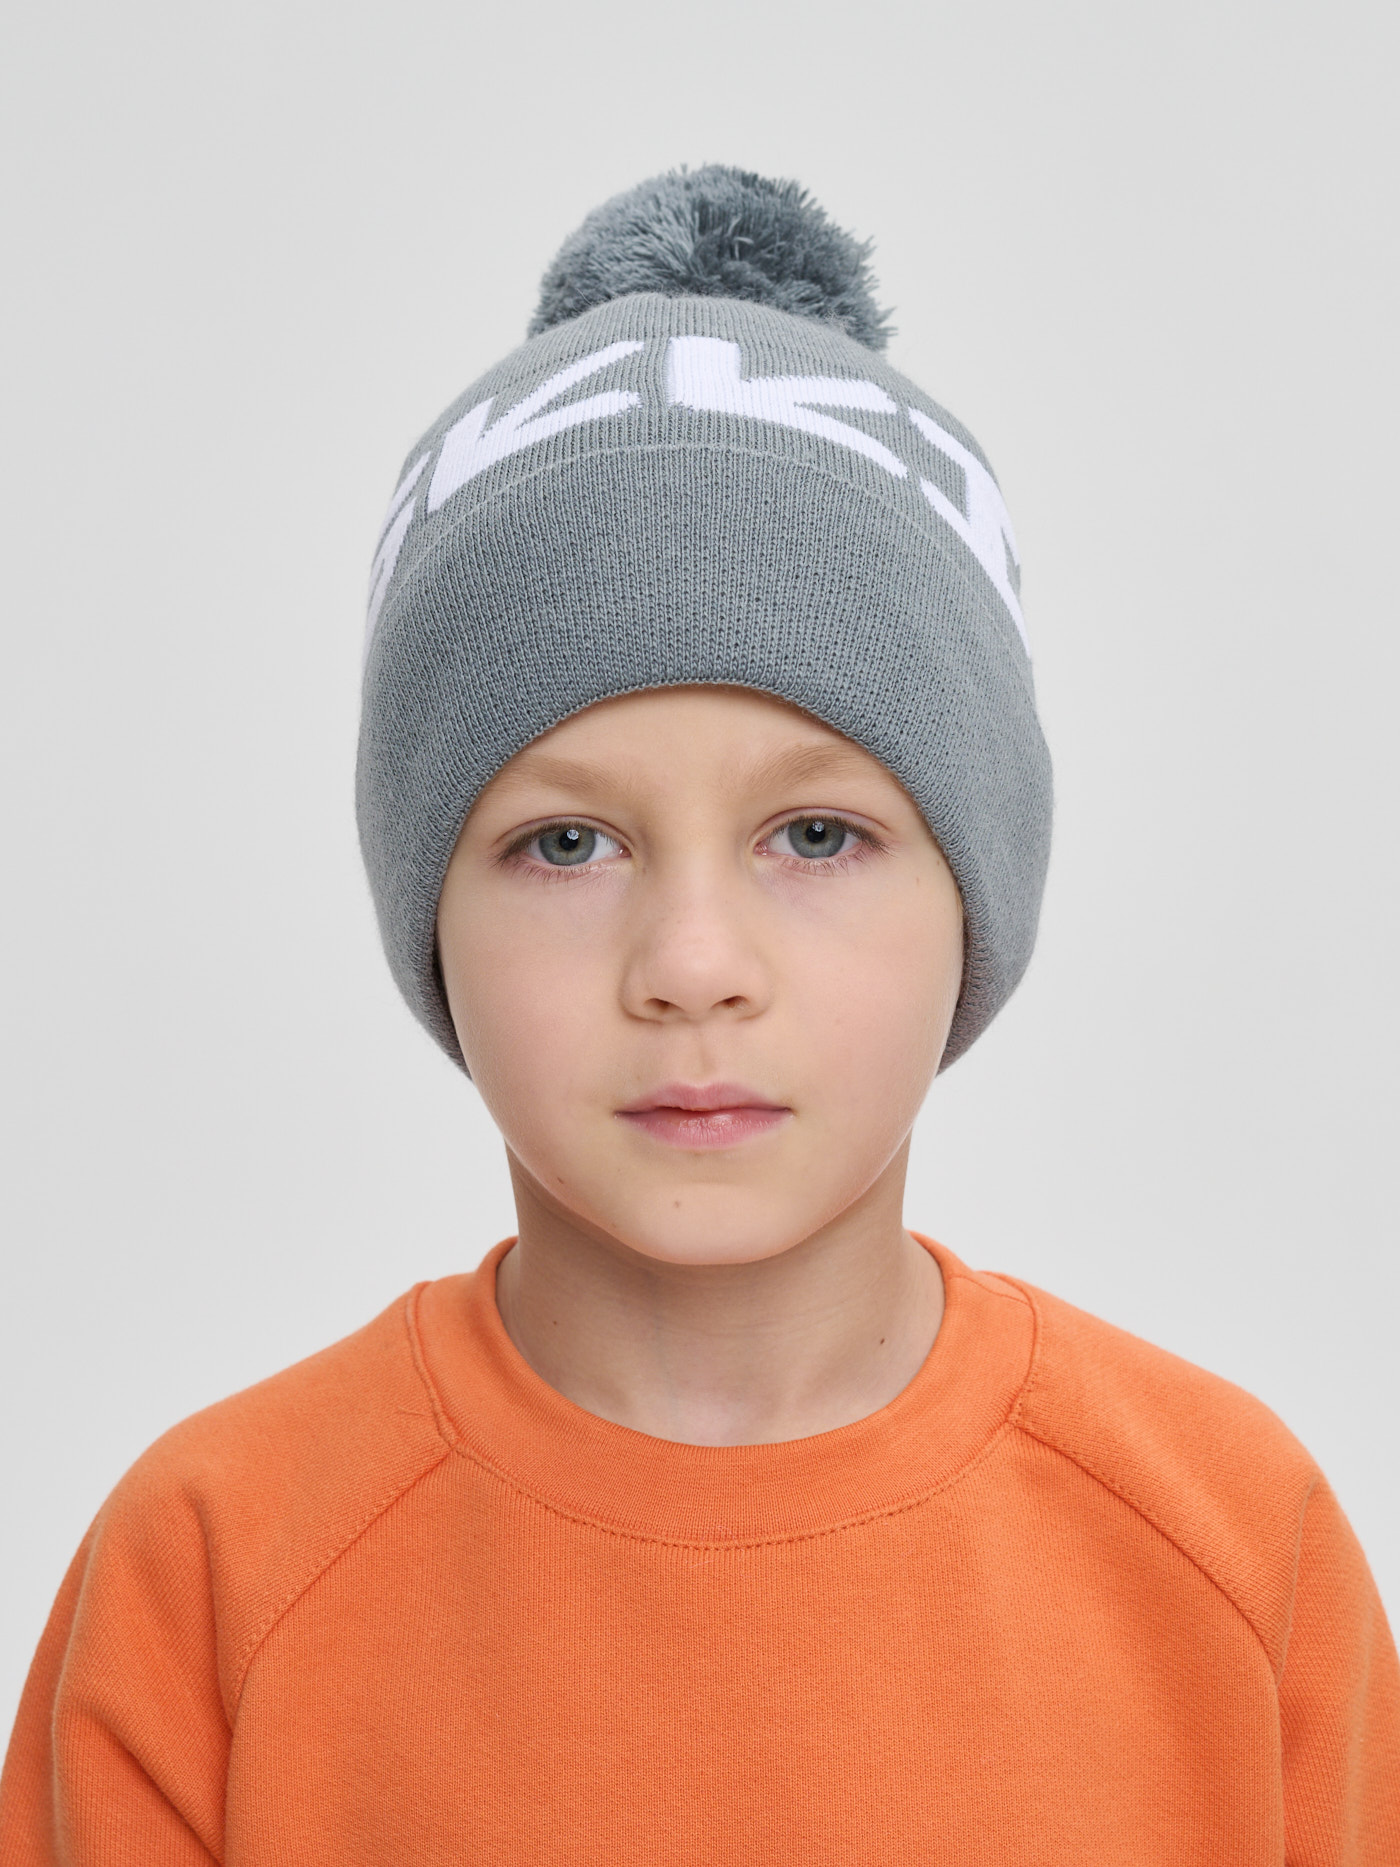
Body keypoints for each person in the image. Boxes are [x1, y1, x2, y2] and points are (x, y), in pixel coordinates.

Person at [1, 165, 1395, 1865]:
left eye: (816, 836)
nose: (691, 962)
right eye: (565, 843)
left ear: (976, 891)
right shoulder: (213, 1575)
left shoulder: (1230, 1551)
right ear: (427, 904)